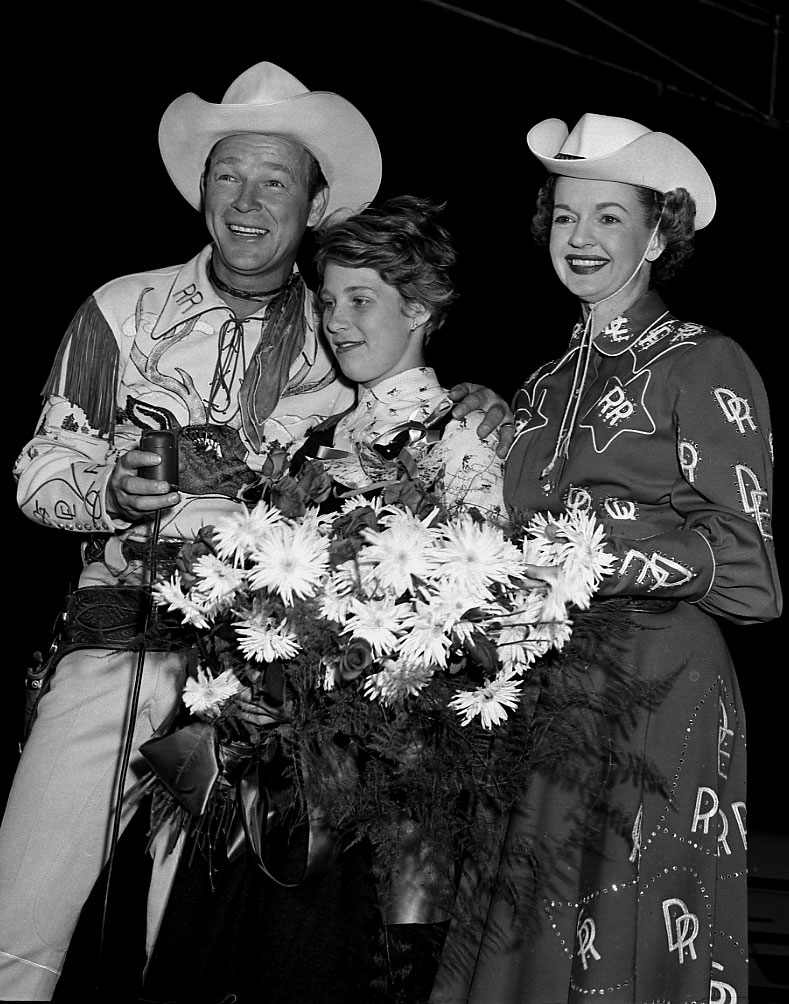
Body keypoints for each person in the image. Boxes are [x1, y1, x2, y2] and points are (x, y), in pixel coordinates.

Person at [0, 61, 510, 1002]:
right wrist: (114, 485)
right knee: (21, 915)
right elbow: (37, 471)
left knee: (187, 947)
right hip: (120, 636)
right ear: (200, 187)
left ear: (314, 204)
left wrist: (478, 404)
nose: (247, 200)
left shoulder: (336, 328)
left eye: (275, 179)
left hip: (264, 692)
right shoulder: (121, 310)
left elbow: (407, 390)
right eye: (228, 173)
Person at [114, 195, 505, 1004]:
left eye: (360, 300)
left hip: (376, 793)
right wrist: (244, 684)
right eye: (328, 302)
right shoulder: (308, 444)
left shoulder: (464, 441)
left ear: (422, 307)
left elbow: (472, 624)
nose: (337, 322)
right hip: (272, 776)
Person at [431, 114, 781, 1004]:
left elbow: (746, 570)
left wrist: (594, 553)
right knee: (522, 925)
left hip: (656, 682)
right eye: (563, 217)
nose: (579, 239)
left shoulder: (704, 361)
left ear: (659, 233)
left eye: (609, 218)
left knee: (622, 930)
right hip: (545, 683)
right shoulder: (544, 387)